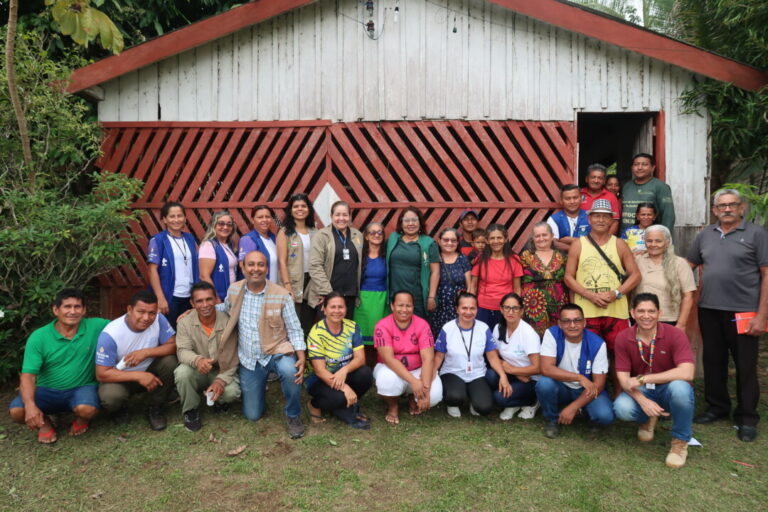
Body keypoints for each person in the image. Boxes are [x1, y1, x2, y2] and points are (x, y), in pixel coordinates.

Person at [687, 189, 768, 442]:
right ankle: (717, 407)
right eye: (721, 206)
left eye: (732, 205)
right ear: (714, 210)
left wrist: (762, 315)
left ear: (742, 208)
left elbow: (766, 275)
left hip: (744, 311)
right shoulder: (705, 235)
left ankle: (746, 417)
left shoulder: (757, 234)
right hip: (709, 308)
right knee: (713, 360)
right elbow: (686, 265)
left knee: (745, 365)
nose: (727, 209)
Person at [216, 250, 307, 439]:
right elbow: (223, 309)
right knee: (252, 415)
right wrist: (195, 312)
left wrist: (301, 357)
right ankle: (258, 393)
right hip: (250, 359)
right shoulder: (234, 290)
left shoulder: (281, 295)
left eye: (260, 265)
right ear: (243, 267)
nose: (255, 269)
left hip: (276, 352)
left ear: (266, 268)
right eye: (251, 264)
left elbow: (295, 330)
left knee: (291, 371)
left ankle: (293, 415)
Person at [8, 289, 108, 444]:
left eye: (77, 307)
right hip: (45, 390)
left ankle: (81, 421)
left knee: (87, 410)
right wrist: (30, 405)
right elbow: (28, 375)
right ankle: (45, 423)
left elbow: (127, 325)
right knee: (17, 411)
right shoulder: (39, 337)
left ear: (84, 310)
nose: (72, 312)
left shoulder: (96, 326)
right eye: (67, 307)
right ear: (56, 310)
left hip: (82, 387)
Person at [564, 198, 640, 395]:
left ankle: (618, 395)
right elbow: (568, 277)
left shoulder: (620, 244)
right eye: (596, 215)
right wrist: (589, 295)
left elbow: (635, 275)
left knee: (619, 355)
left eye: (605, 216)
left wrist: (616, 293)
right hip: (587, 312)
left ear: (612, 220)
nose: (600, 220)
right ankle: (592, 397)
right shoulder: (578, 245)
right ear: (589, 219)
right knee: (589, 355)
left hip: (616, 312)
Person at [613, 293, 695, 468]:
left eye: (651, 311)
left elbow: (687, 372)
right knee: (622, 408)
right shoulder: (623, 337)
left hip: (668, 389)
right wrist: (643, 401)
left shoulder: (675, 334)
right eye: (641, 311)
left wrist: (644, 378)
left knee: (681, 389)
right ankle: (647, 418)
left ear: (659, 313)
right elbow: (624, 379)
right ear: (632, 313)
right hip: (643, 391)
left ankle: (680, 442)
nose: (646, 316)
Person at [95, 291, 178, 431]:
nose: (146, 318)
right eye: (141, 312)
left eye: (152, 313)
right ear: (129, 310)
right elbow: (102, 374)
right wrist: (139, 376)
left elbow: (174, 345)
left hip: (150, 370)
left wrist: (145, 353)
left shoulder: (159, 319)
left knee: (170, 362)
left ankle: (155, 407)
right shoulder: (110, 334)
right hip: (121, 377)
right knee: (110, 397)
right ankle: (120, 410)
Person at [535, 303, 614, 438]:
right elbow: (546, 369)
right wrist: (579, 377)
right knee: (544, 384)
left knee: (605, 415)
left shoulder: (598, 343)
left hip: (586, 390)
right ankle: (552, 420)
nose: (572, 325)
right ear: (560, 323)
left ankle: (585, 415)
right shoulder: (552, 334)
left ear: (584, 322)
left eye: (577, 320)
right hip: (562, 386)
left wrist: (574, 407)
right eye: (566, 321)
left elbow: (599, 385)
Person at [174, 282, 241, 432]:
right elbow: (182, 351)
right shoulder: (184, 322)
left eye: (209, 299)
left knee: (231, 393)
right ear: (192, 303)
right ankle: (191, 410)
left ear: (217, 299)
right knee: (182, 373)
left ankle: (219, 401)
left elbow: (232, 357)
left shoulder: (228, 321)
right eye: (199, 301)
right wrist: (197, 360)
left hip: (221, 369)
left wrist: (220, 381)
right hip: (197, 369)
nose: (205, 305)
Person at [434, 292, 511, 418]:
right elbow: (439, 356)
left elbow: (492, 356)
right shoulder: (448, 328)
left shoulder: (484, 328)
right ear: (457, 309)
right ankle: (454, 402)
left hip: (477, 374)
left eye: (472, 308)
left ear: (477, 310)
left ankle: (473, 399)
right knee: (455, 397)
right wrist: (432, 372)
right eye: (464, 308)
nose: (468, 312)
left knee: (484, 408)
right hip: (452, 372)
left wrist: (503, 376)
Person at [305, 292, 373, 429]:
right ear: (324, 309)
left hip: (343, 375)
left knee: (365, 373)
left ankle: (346, 404)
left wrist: (344, 370)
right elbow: (320, 371)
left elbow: (360, 359)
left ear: (346, 309)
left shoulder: (352, 327)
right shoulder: (316, 333)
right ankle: (314, 405)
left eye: (340, 307)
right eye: (332, 307)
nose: (337, 311)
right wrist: (345, 388)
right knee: (338, 397)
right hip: (320, 380)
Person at [373, 291, 443, 424]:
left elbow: (428, 359)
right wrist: (414, 382)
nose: (404, 310)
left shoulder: (422, 324)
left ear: (413, 307)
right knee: (386, 381)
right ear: (392, 306)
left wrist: (426, 389)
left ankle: (413, 397)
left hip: (417, 370)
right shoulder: (382, 325)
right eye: (400, 305)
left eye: (408, 306)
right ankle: (393, 405)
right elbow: (389, 359)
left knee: (434, 396)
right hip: (391, 369)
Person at [485, 293, 541, 420]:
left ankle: (533, 401)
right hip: (514, 374)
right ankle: (515, 399)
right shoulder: (498, 327)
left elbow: (537, 368)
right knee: (490, 375)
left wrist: (512, 370)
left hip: (530, 379)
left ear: (521, 311)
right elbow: (494, 355)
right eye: (507, 307)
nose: (511, 312)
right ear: (501, 309)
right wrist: (512, 373)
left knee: (499, 398)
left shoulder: (528, 333)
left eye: (515, 308)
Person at [147, 201, 199, 329]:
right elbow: (152, 270)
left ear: (185, 218)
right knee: (168, 334)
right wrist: (160, 298)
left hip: (189, 296)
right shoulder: (158, 240)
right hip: (170, 297)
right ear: (164, 219)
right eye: (172, 216)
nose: (176, 220)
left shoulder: (190, 238)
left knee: (187, 332)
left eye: (179, 216)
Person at [308, 201, 364, 317]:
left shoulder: (357, 235)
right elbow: (315, 266)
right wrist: (328, 293)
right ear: (331, 216)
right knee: (329, 332)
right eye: (337, 215)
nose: (341, 218)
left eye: (345, 215)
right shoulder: (321, 236)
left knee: (346, 332)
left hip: (350, 295)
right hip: (328, 296)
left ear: (349, 216)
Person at [634, 225, 696, 330]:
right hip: (640, 320)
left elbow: (688, 296)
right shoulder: (637, 260)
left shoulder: (679, 263)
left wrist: (681, 324)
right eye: (649, 241)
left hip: (668, 320)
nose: (653, 244)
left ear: (667, 243)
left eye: (658, 241)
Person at [386, 207, 440, 319]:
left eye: (414, 220)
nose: (410, 223)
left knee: (416, 331)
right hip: (394, 296)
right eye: (406, 220)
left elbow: (435, 272)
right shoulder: (393, 238)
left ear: (420, 222)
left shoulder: (429, 243)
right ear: (401, 223)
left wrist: (431, 297)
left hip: (417, 297)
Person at [276, 193, 317, 335]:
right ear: (290, 210)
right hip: (293, 282)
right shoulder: (285, 232)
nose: (300, 209)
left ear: (309, 209)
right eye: (296, 206)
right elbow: (282, 260)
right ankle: (293, 355)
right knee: (293, 323)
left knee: (308, 322)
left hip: (311, 282)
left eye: (303, 206)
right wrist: (287, 286)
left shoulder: (314, 232)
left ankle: (306, 355)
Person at [469, 223, 523, 331]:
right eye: (492, 238)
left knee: (504, 342)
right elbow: (473, 286)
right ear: (487, 241)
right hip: (483, 308)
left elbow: (517, 288)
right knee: (483, 342)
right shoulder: (480, 259)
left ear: (506, 239)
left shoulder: (514, 259)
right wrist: (470, 308)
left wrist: (517, 310)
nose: (496, 241)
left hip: (507, 309)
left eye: (499, 238)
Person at [520, 222, 568, 336]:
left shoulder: (562, 256)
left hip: (558, 306)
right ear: (533, 238)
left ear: (552, 236)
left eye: (544, 235)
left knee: (557, 337)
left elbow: (568, 281)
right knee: (534, 339)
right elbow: (517, 283)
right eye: (537, 236)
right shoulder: (525, 256)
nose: (541, 238)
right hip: (532, 307)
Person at [353, 222, 389, 365]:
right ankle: (362, 366)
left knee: (380, 335)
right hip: (362, 299)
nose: (376, 235)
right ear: (366, 236)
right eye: (372, 232)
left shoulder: (387, 255)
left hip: (381, 299)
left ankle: (380, 366)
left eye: (379, 232)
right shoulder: (360, 254)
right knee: (362, 336)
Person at [429, 228, 472, 337]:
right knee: (439, 338)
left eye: (453, 240)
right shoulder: (434, 258)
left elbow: (470, 286)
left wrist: (467, 305)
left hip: (457, 308)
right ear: (439, 241)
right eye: (446, 240)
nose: (449, 243)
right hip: (438, 308)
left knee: (458, 337)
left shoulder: (462, 259)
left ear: (458, 242)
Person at [621, 153, 675, 233]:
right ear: (632, 168)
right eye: (636, 164)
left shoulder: (660, 186)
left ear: (652, 168)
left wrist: (664, 236)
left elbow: (668, 215)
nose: (639, 167)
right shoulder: (626, 186)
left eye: (644, 164)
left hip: (650, 237)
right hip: (626, 236)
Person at [199, 210, 240, 302]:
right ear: (214, 225)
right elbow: (204, 276)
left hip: (230, 296)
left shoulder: (229, 245)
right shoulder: (208, 245)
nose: (225, 227)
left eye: (229, 224)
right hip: (219, 297)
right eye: (221, 224)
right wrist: (215, 297)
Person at [238, 205, 278, 282]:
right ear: (253, 220)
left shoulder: (273, 238)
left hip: (274, 288)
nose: (265, 220)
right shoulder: (248, 239)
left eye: (267, 217)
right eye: (260, 217)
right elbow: (244, 267)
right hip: (258, 288)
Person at [548, 184, 590, 252]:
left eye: (575, 198)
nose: (572, 202)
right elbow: (553, 243)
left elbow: (596, 241)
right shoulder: (554, 219)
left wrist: (570, 240)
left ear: (581, 198)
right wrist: (576, 250)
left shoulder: (590, 216)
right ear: (561, 201)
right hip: (562, 259)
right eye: (568, 198)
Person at [580, 164, 620, 235]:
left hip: (602, 237)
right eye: (593, 177)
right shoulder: (579, 194)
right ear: (586, 179)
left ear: (604, 181)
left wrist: (606, 241)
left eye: (600, 178)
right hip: (580, 235)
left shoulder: (611, 196)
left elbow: (615, 222)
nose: (596, 180)